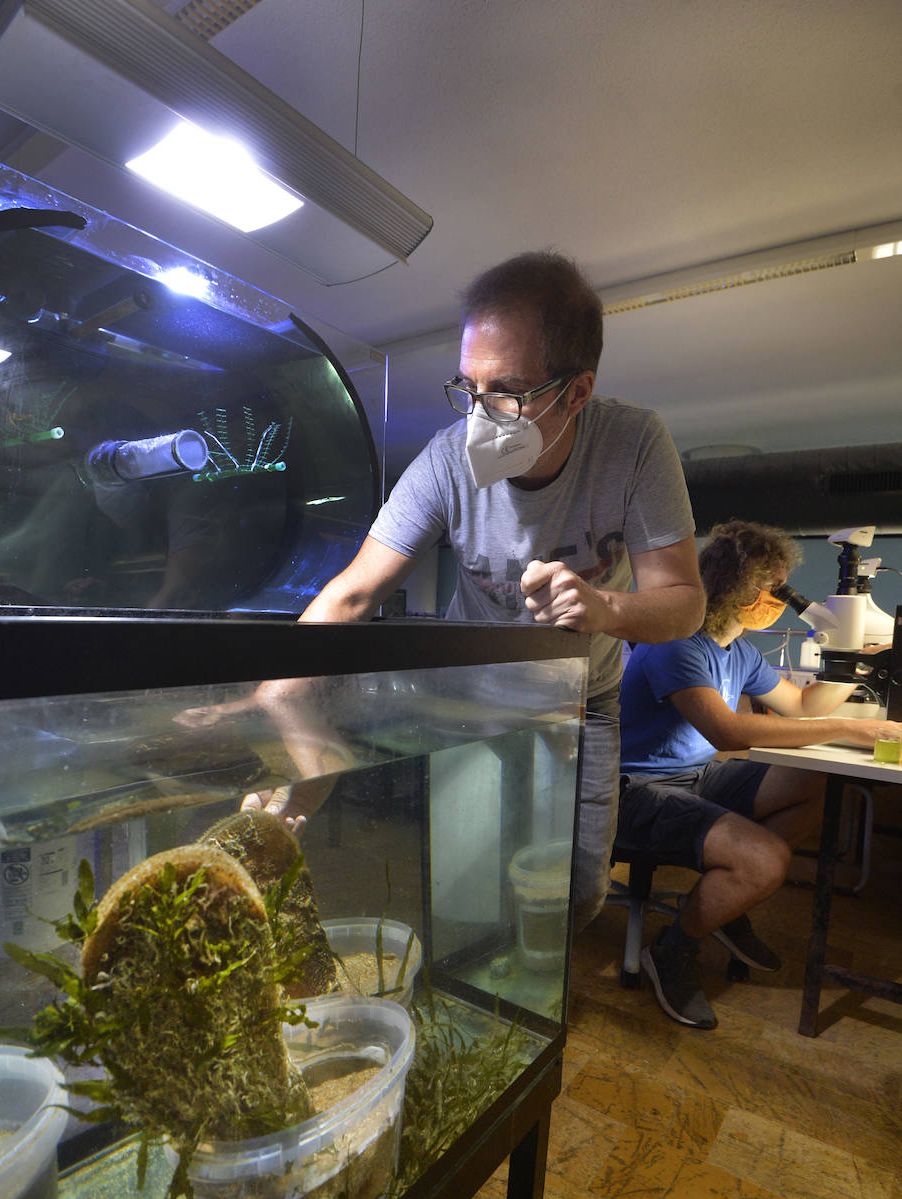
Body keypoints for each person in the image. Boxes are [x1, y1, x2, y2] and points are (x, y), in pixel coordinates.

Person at [243, 251, 706, 919]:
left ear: (577, 392)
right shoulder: (447, 459)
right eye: (469, 387)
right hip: (474, 693)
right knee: (467, 885)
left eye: (508, 391)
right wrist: (276, 685)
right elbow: (353, 592)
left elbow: (684, 605)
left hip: (583, 700)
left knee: (577, 888)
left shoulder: (632, 444)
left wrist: (603, 605)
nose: (481, 418)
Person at [616, 519, 902, 1029]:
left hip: (695, 779)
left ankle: (726, 896)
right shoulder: (675, 643)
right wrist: (849, 731)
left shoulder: (739, 651)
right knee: (767, 861)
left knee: (811, 784)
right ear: (738, 590)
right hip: (636, 792)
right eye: (773, 588)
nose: (778, 599)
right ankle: (675, 947)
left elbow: (799, 705)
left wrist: (849, 663)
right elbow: (726, 732)